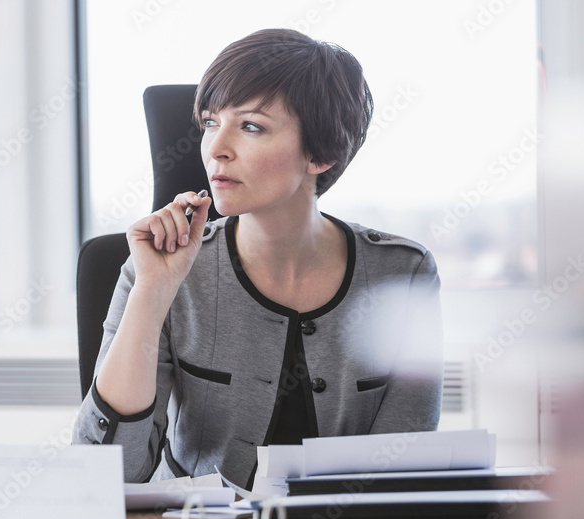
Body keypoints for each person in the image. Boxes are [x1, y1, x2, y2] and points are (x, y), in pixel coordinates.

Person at [75, 28, 443, 489]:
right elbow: (106, 477)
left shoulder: (402, 274)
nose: (216, 149)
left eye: (251, 126)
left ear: (321, 153)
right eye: (210, 123)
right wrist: (153, 290)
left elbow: (404, 474)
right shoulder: (156, 269)